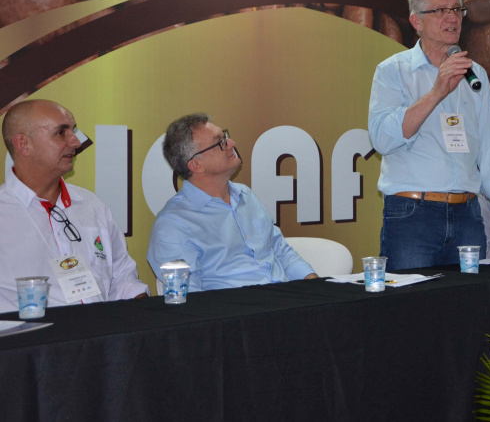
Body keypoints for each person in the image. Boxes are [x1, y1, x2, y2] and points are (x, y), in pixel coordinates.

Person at [368, 0, 490, 270]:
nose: (452, 17)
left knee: (468, 309)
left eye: (456, 9)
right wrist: (437, 91)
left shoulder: (474, 75)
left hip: (468, 215)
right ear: (416, 21)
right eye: (440, 10)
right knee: (410, 312)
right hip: (412, 215)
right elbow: (381, 139)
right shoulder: (393, 71)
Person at [0, 100, 148, 312]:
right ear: (24, 144)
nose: (76, 142)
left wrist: (140, 310)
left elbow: (122, 276)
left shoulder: (91, 205)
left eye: (73, 130)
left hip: (100, 338)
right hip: (29, 342)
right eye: (61, 132)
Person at [147, 113, 318, 292]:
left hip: (287, 302)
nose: (231, 144)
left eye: (225, 136)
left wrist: (316, 287)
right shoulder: (173, 224)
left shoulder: (245, 195)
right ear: (196, 165)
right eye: (220, 142)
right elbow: (190, 301)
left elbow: (281, 251)